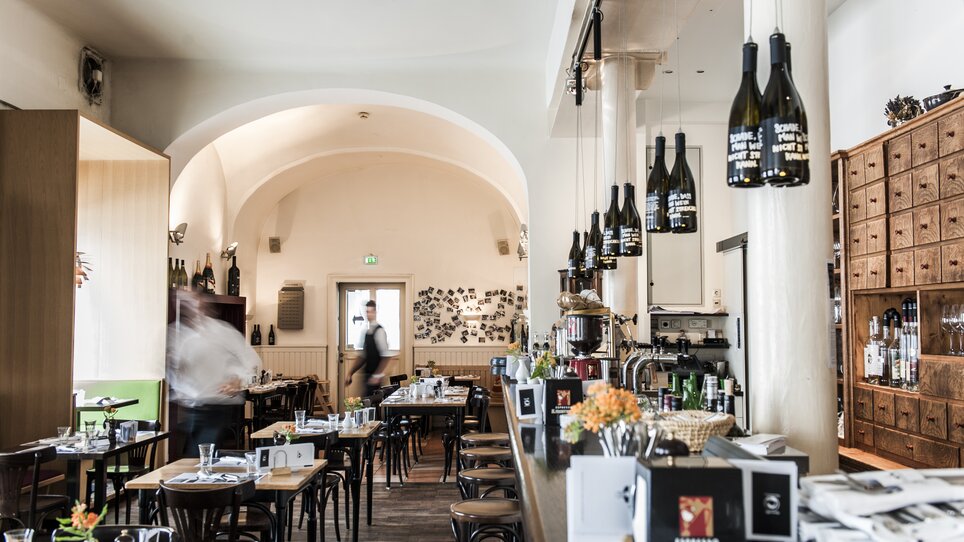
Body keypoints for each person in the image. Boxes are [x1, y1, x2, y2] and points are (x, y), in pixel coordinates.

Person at [167, 292, 261, 457]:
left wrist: (239, 381)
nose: (192, 306)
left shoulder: (223, 332)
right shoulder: (178, 334)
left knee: (201, 457)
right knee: (190, 460)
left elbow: (252, 361)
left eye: (197, 302)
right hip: (190, 410)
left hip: (216, 407)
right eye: (187, 303)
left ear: (207, 307)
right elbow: (172, 370)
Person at [345, 300, 392, 397]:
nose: (368, 314)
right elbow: (363, 356)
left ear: (375, 312)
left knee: (371, 407)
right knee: (365, 405)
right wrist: (350, 372)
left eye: (370, 312)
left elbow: (386, 356)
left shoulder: (380, 331)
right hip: (366, 376)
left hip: (375, 378)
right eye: (367, 312)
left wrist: (377, 375)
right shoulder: (367, 332)